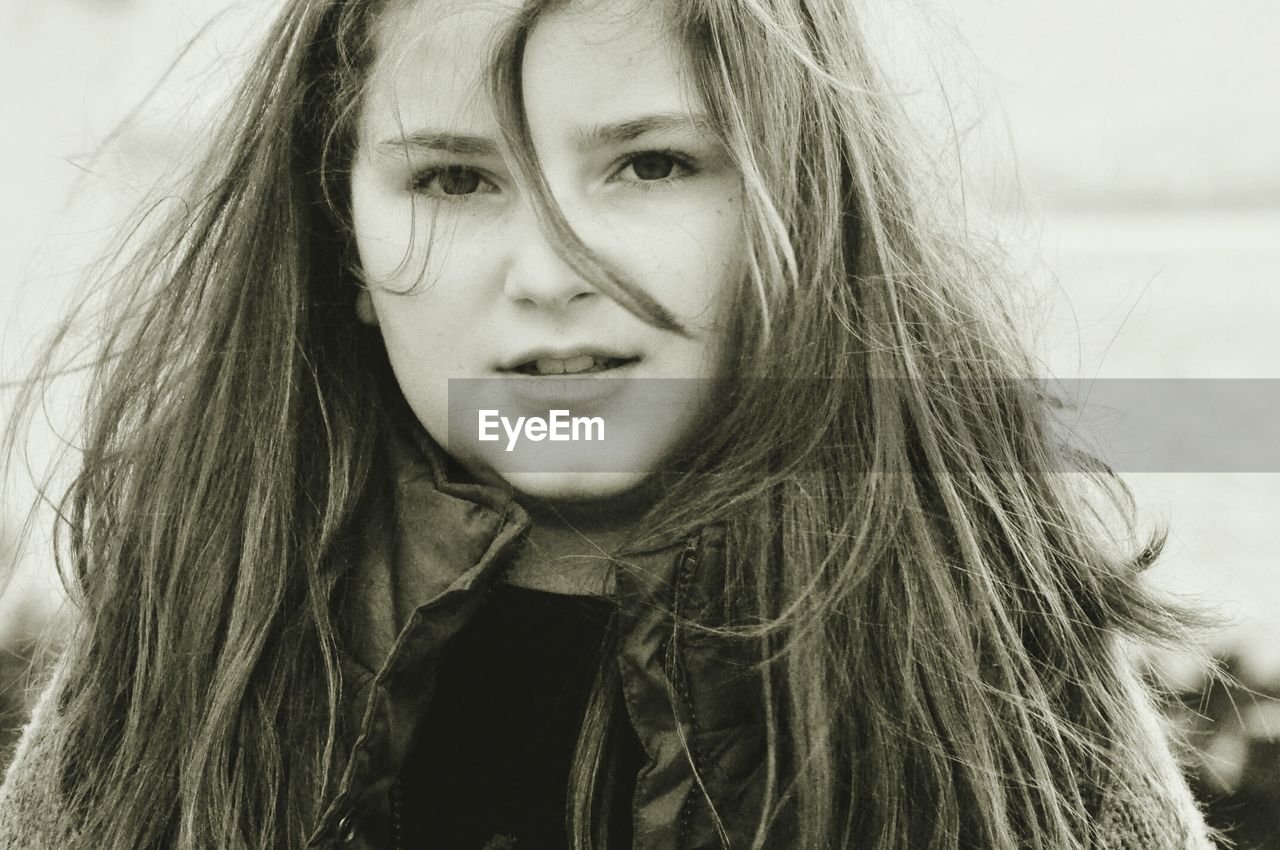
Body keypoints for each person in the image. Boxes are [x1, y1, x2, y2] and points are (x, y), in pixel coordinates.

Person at [0, 0, 1218, 848]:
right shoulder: (205, 625)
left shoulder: (974, 634)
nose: (549, 269)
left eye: (648, 166)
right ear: (344, 249)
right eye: (453, 179)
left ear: (791, 203)